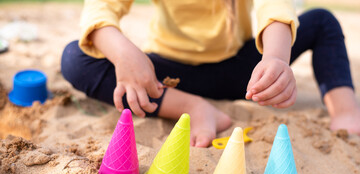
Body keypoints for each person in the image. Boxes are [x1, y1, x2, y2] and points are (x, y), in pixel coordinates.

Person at [61, 0, 360, 148]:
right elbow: (99, 10)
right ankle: (194, 107)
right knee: (74, 57)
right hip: (169, 78)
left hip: (246, 73)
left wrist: (275, 57)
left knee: (321, 21)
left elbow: (275, 5)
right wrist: (125, 55)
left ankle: (346, 113)